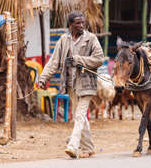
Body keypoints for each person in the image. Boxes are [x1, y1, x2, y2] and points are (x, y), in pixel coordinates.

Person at [38, 11, 104, 159]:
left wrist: (79, 60)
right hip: (70, 85)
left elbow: (99, 59)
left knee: (80, 115)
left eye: (83, 22)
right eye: (77, 23)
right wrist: (43, 78)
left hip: (86, 84)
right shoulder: (63, 40)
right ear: (70, 25)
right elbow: (54, 62)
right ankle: (89, 148)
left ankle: (73, 146)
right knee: (79, 117)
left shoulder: (91, 39)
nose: (81, 25)